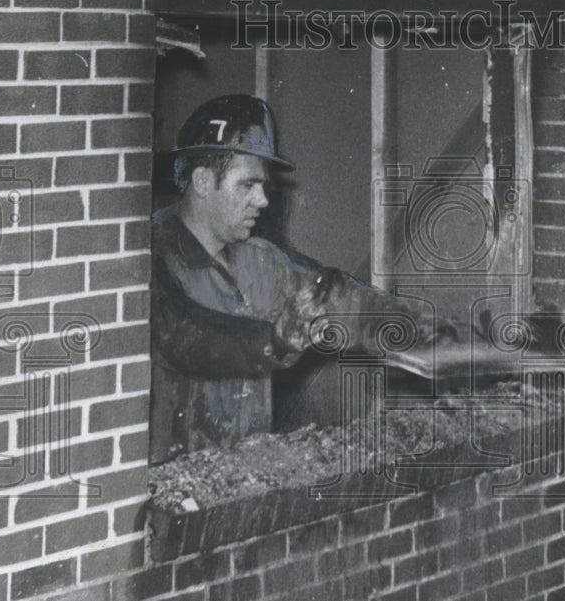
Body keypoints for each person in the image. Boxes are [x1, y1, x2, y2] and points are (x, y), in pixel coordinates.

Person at [149, 95, 444, 464]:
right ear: (204, 181)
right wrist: (275, 341)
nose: (263, 200)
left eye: (263, 186)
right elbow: (182, 334)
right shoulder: (148, 255)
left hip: (243, 472)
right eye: (247, 185)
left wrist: (402, 321)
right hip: (167, 483)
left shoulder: (258, 259)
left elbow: (330, 296)